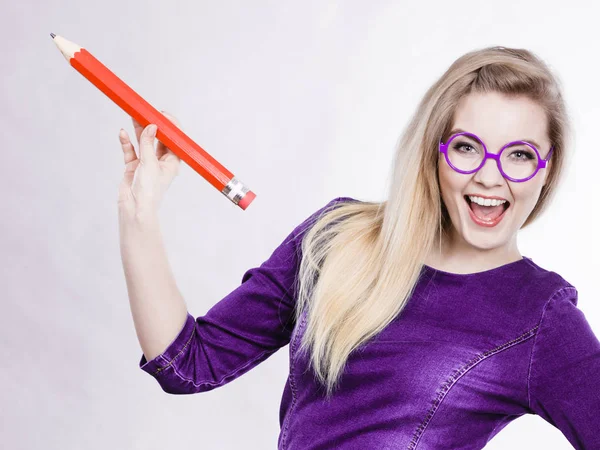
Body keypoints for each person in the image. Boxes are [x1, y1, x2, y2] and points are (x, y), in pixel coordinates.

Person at [117, 47, 600, 449]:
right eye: (467, 147)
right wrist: (139, 213)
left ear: (547, 169)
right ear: (434, 150)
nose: (490, 176)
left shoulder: (540, 316)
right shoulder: (339, 236)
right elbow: (188, 364)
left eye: (520, 154)